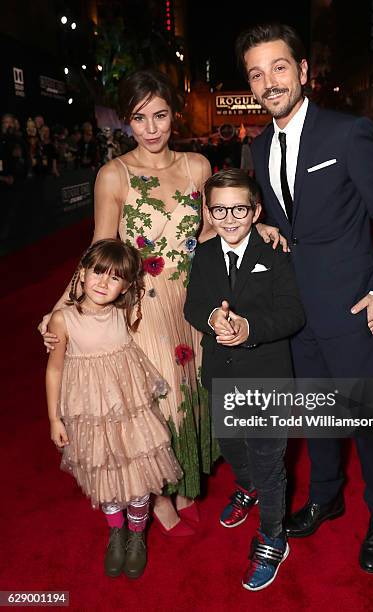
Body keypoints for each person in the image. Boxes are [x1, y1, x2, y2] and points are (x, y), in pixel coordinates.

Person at [38, 68, 285, 535]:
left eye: (160, 116)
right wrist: (61, 306)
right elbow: (99, 247)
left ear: (175, 114)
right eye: (139, 118)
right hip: (143, 306)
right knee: (162, 401)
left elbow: (213, 232)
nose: (151, 129)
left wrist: (257, 229)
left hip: (196, 300)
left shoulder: (197, 167)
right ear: (127, 122)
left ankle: (190, 483)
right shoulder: (114, 174)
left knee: (198, 393)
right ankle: (162, 495)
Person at [235, 23, 373, 573]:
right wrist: (263, 230)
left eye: (279, 68)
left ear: (304, 71)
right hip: (296, 313)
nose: (269, 83)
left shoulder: (347, 133)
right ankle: (326, 497)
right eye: (256, 74)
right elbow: (277, 220)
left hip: (352, 308)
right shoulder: (257, 148)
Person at [184, 169, 305, 590]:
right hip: (220, 374)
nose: (230, 218)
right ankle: (246, 485)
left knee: (269, 461)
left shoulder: (276, 253)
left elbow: (293, 314)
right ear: (209, 211)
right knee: (233, 445)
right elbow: (193, 305)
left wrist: (249, 328)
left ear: (255, 211)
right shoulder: (202, 253)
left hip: (266, 376)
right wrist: (212, 316)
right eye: (220, 209)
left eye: (239, 208)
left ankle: (274, 535)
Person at [46, 239, 182, 578]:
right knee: (104, 476)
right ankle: (116, 531)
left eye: (115, 277)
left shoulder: (124, 311)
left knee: (138, 477)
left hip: (130, 412)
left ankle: (137, 535)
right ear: (82, 272)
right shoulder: (63, 320)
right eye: (97, 272)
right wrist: (53, 418)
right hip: (89, 415)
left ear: (127, 286)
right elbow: (54, 370)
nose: (104, 282)